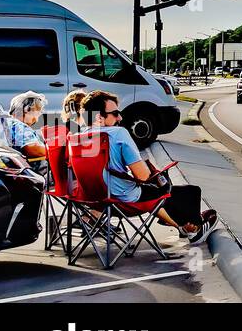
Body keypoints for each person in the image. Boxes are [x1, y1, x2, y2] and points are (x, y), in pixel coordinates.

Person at [81, 91, 217, 245]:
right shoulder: (118, 134)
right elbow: (143, 177)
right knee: (183, 190)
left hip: (93, 199)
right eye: (115, 113)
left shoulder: (78, 137)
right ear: (99, 117)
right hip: (123, 199)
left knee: (164, 191)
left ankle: (183, 226)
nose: (120, 117)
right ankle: (194, 230)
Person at [6, 91, 48, 168]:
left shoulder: (9, 123)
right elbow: (32, 148)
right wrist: (53, 152)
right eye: (38, 112)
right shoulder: (19, 126)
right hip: (33, 173)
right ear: (27, 109)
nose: (37, 118)